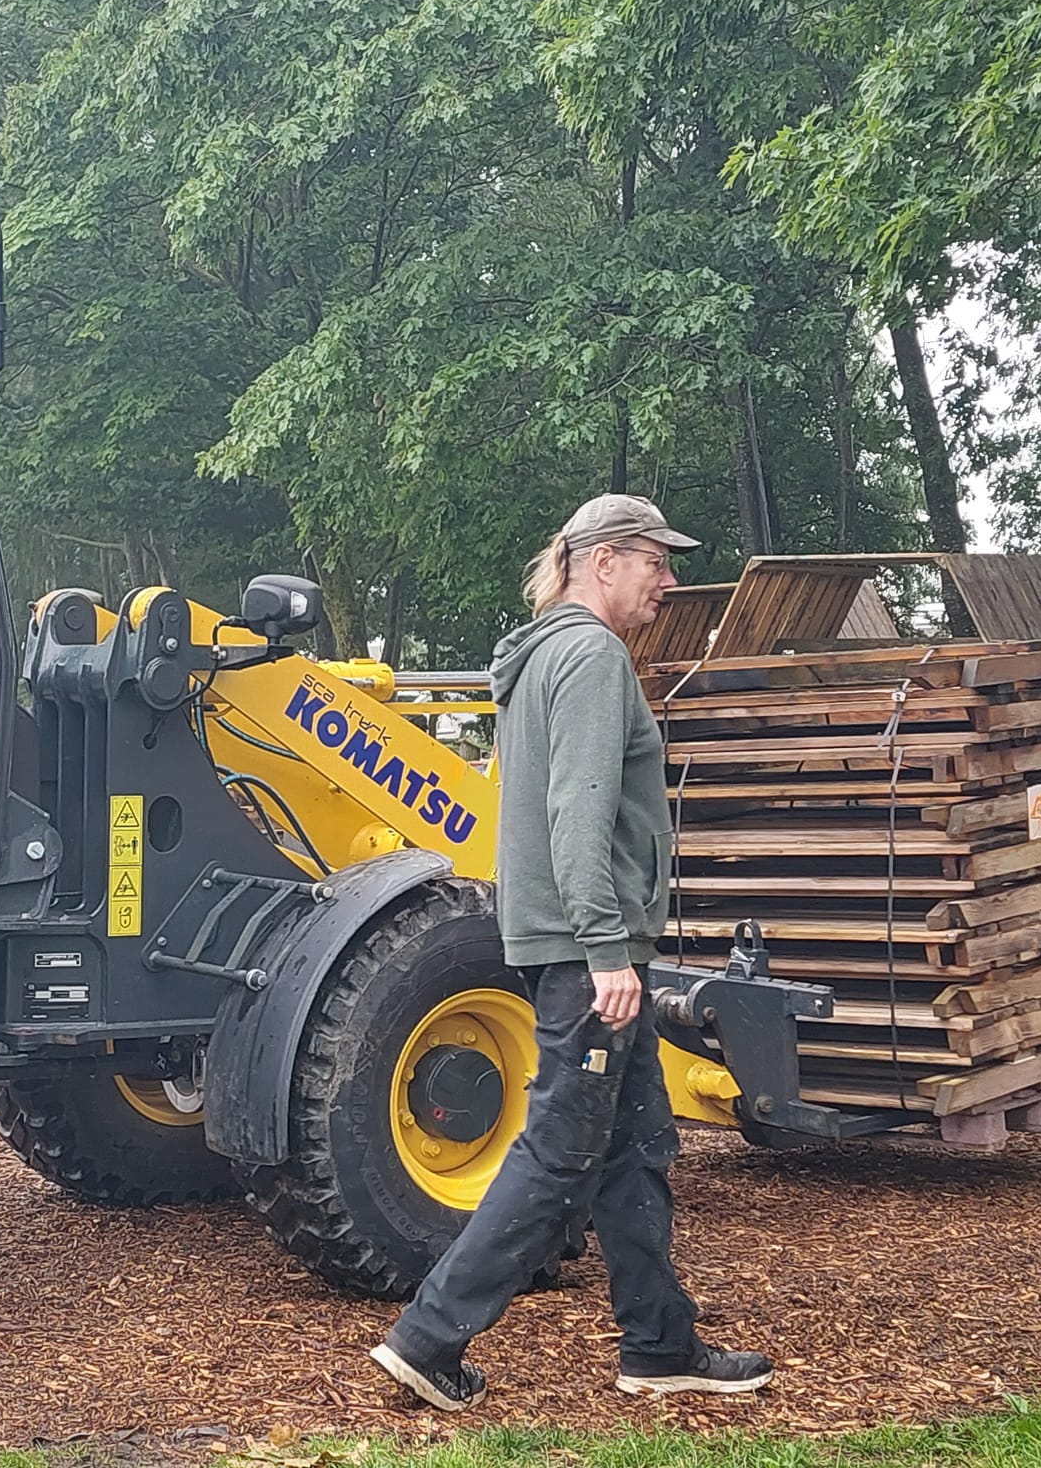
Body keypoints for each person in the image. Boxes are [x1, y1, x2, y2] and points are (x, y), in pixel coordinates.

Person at [370, 493, 775, 1410]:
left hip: (561, 940)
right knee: (558, 1149)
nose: (667, 582)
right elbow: (577, 811)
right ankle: (428, 1339)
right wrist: (606, 950)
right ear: (603, 561)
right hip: (587, 948)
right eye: (655, 562)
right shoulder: (590, 657)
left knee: (637, 1144)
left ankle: (659, 1346)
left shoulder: (542, 653)